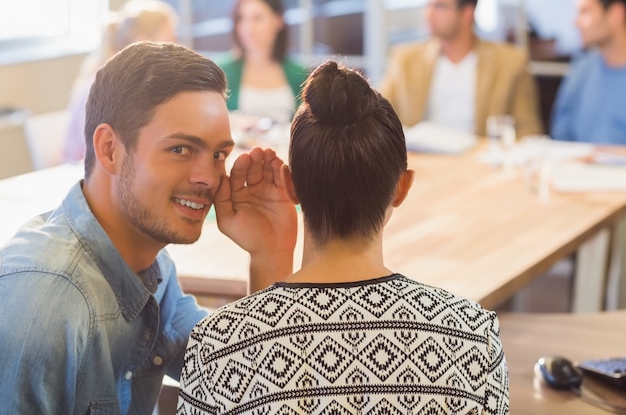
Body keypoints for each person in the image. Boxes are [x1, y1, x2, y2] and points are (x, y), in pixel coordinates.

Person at [177, 61, 510, 415]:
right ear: (402, 188)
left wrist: (267, 255)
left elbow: (268, 352)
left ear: (292, 186)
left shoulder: (221, 341)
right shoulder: (471, 334)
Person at [0, 42, 297, 414]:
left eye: (218, 154)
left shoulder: (147, 260)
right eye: (181, 150)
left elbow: (244, 380)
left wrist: (270, 252)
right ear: (110, 149)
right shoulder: (45, 308)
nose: (209, 177)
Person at [379, 0, 543, 138]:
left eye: (440, 6)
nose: (428, 14)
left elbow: (529, 131)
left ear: (467, 13)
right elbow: (377, 117)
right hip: (422, 163)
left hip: (480, 164)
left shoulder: (510, 62)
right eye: (428, 5)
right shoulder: (405, 60)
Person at [63, 0, 179, 162]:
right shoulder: (106, 87)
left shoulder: (133, 81)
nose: (177, 49)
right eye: (171, 42)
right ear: (143, 42)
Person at [217, 0, 309, 123]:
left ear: (278, 20)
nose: (248, 28)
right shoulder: (220, 71)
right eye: (241, 19)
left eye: (257, 18)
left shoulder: (300, 73)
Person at [551, 0, 626, 144]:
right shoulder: (581, 71)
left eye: (585, 12)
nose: (576, 22)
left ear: (615, 15)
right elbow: (560, 139)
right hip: (576, 166)